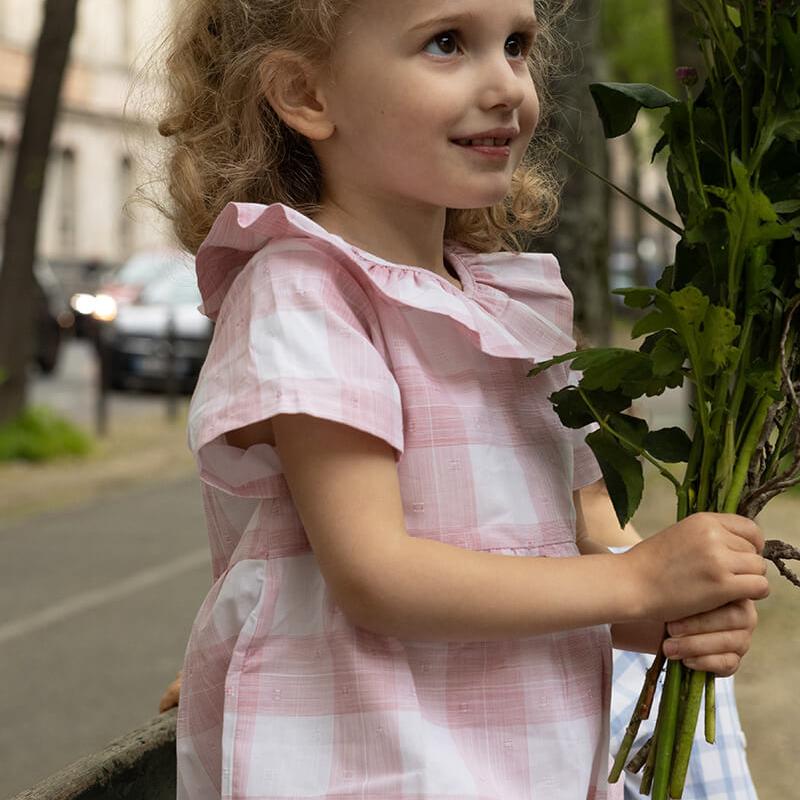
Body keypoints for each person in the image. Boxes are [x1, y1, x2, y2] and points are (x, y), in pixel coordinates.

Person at [155, 1, 770, 798]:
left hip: (524, 759)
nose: (507, 85)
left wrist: (667, 617)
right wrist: (636, 583)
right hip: (374, 761)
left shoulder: (509, 307)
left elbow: (541, 558)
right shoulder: (307, 291)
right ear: (306, 94)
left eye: (516, 46)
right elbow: (378, 576)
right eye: (448, 43)